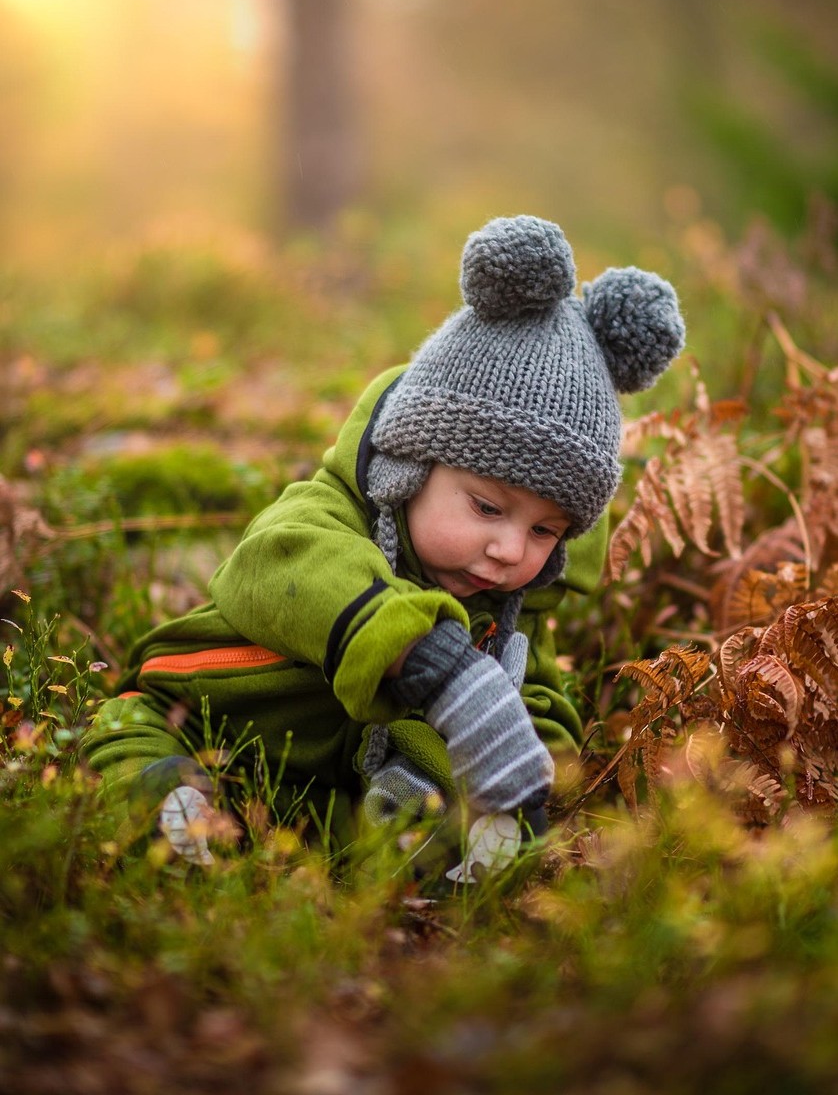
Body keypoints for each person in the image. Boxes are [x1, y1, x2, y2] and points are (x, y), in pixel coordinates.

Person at [82, 215, 684, 873]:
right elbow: (279, 563)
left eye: (546, 530)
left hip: (328, 785)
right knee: (128, 730)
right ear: (410, 468)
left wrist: (524, 776)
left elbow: (536, 696)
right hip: (205, 716)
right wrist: (431, 659)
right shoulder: (326, 515)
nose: (512, 549)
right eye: (487, 507)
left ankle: (392, 849)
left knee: (423, 811)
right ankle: (172, 806)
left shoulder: (513, 604)